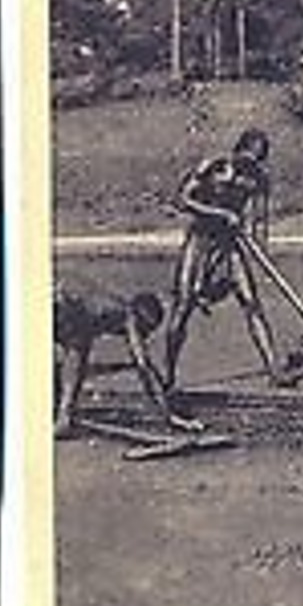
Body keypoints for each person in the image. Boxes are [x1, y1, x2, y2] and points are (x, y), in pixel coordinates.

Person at [165, 128, 286, 388]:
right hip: (200, 243)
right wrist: (219, 214)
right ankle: (168, 375)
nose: (251, 165)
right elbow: (182, 200)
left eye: (257, 160)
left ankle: (274, 371)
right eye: (248, 158)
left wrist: (260, 249)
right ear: (238, 151)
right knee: (183, 306)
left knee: (252, 303)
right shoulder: (214, 166)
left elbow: (258, 218)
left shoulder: (259, 178)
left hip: (231, 245)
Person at [54, 278, 201, 437]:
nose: (145, 337)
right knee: (77, 353)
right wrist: (168, 414)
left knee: (77, 350)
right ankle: (63, 417)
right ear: (143, 318)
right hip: (66, 302)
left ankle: (60, 412)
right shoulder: (129, 316)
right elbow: (144, 366)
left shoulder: (114, 307)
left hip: (62, 297)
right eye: (147, 330)